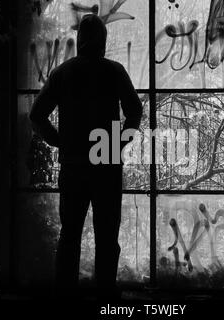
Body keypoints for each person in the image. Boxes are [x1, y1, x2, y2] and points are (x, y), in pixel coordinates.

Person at [29, 14, 143, 299]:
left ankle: (66, 294)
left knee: (69, 235)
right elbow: (135, 112)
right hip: (105, 162)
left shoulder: (63, 73)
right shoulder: (114, 71)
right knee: (107, 236)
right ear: (103, 41)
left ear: (80, 40)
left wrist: (59, 141)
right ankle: (105, 294)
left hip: (73, 165)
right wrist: (118, 143)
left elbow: (37, 114)